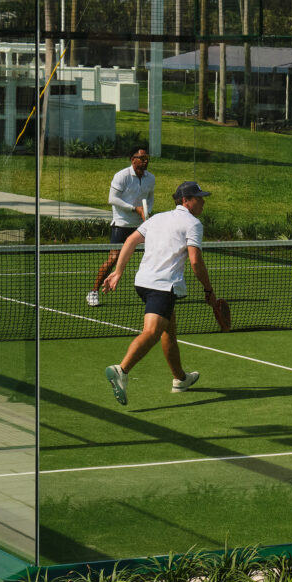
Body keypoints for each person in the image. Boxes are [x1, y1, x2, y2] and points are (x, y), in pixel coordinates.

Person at [100, 181, 220, 406]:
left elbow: (130, 241)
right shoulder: (193, 223)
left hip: (143, 282)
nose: (203, 201)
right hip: (162, 286)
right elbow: (195, 260)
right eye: (199, 197)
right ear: (186, 200)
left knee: (168, 333)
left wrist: (118, 272)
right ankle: (122, 370)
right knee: (153, 331)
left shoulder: (156, 218)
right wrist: (208, 289)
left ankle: (180, 378)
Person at [87, 148, 156, 307]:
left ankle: (157, 290)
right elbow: (112, 199)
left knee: (154, 255)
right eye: (142, 158)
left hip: (141, 225)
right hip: (121, 224)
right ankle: (93, 292)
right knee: (113, 259)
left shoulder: (150, 178)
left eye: (147, 158)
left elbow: (150, 197)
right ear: (133, 160)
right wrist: (135, 209)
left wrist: (147, 211)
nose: (145, 161)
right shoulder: (122, 176)